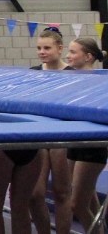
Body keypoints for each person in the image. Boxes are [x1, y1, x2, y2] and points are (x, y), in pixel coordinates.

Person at [28, 27, 71, 234]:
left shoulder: (73, 75)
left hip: (62, 136)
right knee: (35, 194)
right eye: (38, 48)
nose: (42, 52)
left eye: (47, 47)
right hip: (39, 134)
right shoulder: (34, 73)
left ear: (60, 48)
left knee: (62, 193)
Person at [65, 37, 108, 233]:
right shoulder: (69, 78)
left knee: (78, 205)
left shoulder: (99, 81)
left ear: (88, 57)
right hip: (75, 139)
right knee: (88, 201)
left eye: (73, 52)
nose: (68, 55)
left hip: (92, 143)